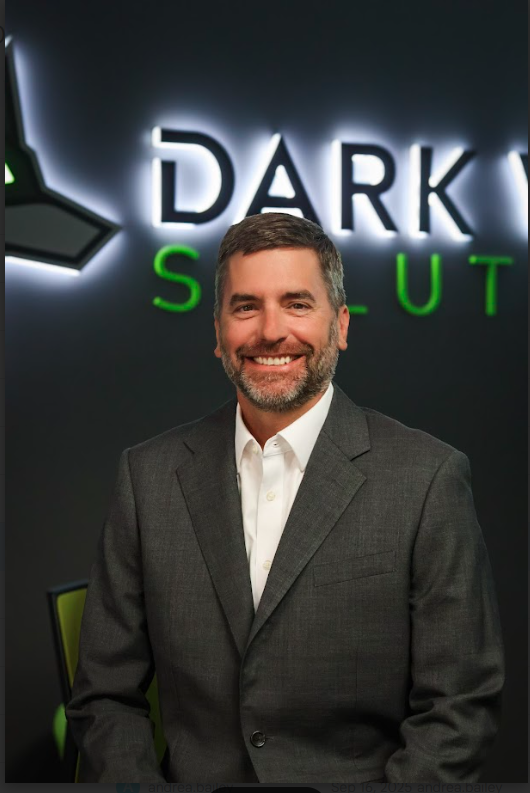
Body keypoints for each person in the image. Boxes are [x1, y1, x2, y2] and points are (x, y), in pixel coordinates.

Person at [66, 213, 504, 783]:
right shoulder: (147, 478)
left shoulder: (427, 479)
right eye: (246, 307)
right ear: (218, 331)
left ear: (340, 325)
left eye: (297, 304)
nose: (271, 331)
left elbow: (459, 709)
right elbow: (104, 697)